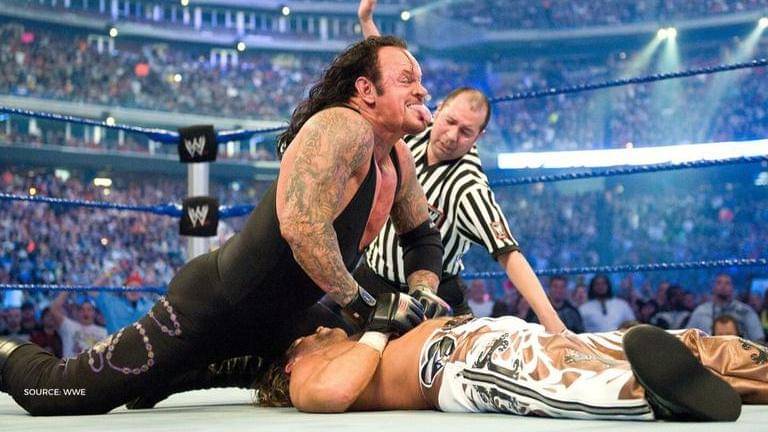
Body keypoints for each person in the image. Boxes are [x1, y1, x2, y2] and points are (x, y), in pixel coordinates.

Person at [0, 36, 443, 416]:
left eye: (420, 80)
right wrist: (365, 305)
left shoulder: (398, 159)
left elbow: (420, 237)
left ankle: (198, 370)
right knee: (59, 393)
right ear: (365, 89)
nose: (421, 90)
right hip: (214, 305)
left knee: (367, 352)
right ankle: (6, 354)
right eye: (407, 80)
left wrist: (422, 294)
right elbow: (302, 229)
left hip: (283, 317)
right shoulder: (340, 127)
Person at [352, 0, 565, 333]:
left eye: (465, 132)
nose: (451, 136)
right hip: (372, 278)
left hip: (429, 298)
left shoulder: (467, 186)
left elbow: (508, 252)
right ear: (438, 111)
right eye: (449, 122)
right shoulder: (416, 129)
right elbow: (388, 79)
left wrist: (554, 325)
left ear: (479, 137)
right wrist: (366, 20)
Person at [258, 318, 767, 422]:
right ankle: (656, 396)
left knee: (621, 343)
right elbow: (335, 394)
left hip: (485, 331)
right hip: (456, 366)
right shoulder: (307, 375)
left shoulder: (351, 346)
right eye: (306, 334)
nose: (317, 327)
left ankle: (748, 372)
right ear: (291, 358)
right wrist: (377, 330)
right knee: (562, 378)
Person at [688, 274, 764, 342]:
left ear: (733, 287)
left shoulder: (746, 312)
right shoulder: (700, 312)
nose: (723, 286)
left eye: (727, 283)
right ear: (713, 287)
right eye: (719, 283)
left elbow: (759, 340)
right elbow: (687, 339)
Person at [49, 292, 108, 358]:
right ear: (77, 312)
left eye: (89, 310)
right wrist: (67, 289)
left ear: (94, 312)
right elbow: (54, 310)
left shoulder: (104, 332)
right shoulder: (68, 326)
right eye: (82, 309)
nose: (85, 313)